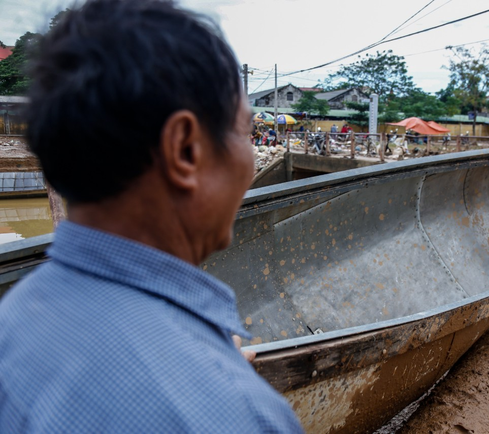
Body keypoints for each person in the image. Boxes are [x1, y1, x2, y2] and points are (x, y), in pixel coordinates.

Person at [0, 1, 303, 432]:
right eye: (246, 132)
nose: (253, 155)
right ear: (185, 150)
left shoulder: (12, 322)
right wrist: (216, 392)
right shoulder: (242, 415)